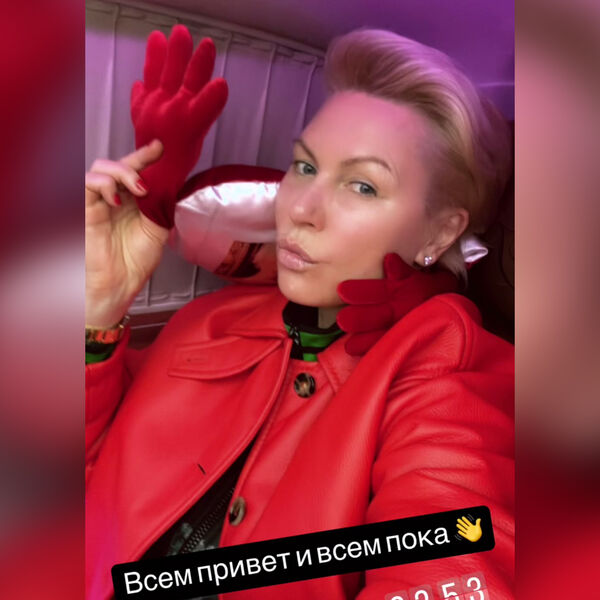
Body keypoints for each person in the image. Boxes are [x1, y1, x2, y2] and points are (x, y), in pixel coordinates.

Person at [85, 26, 514, 600]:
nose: (301, 209)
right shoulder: (208, 321)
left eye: (362, 186)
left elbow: (457, 553)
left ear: (440, 231)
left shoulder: (446, 369)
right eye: (305, 167)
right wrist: (100, 305)